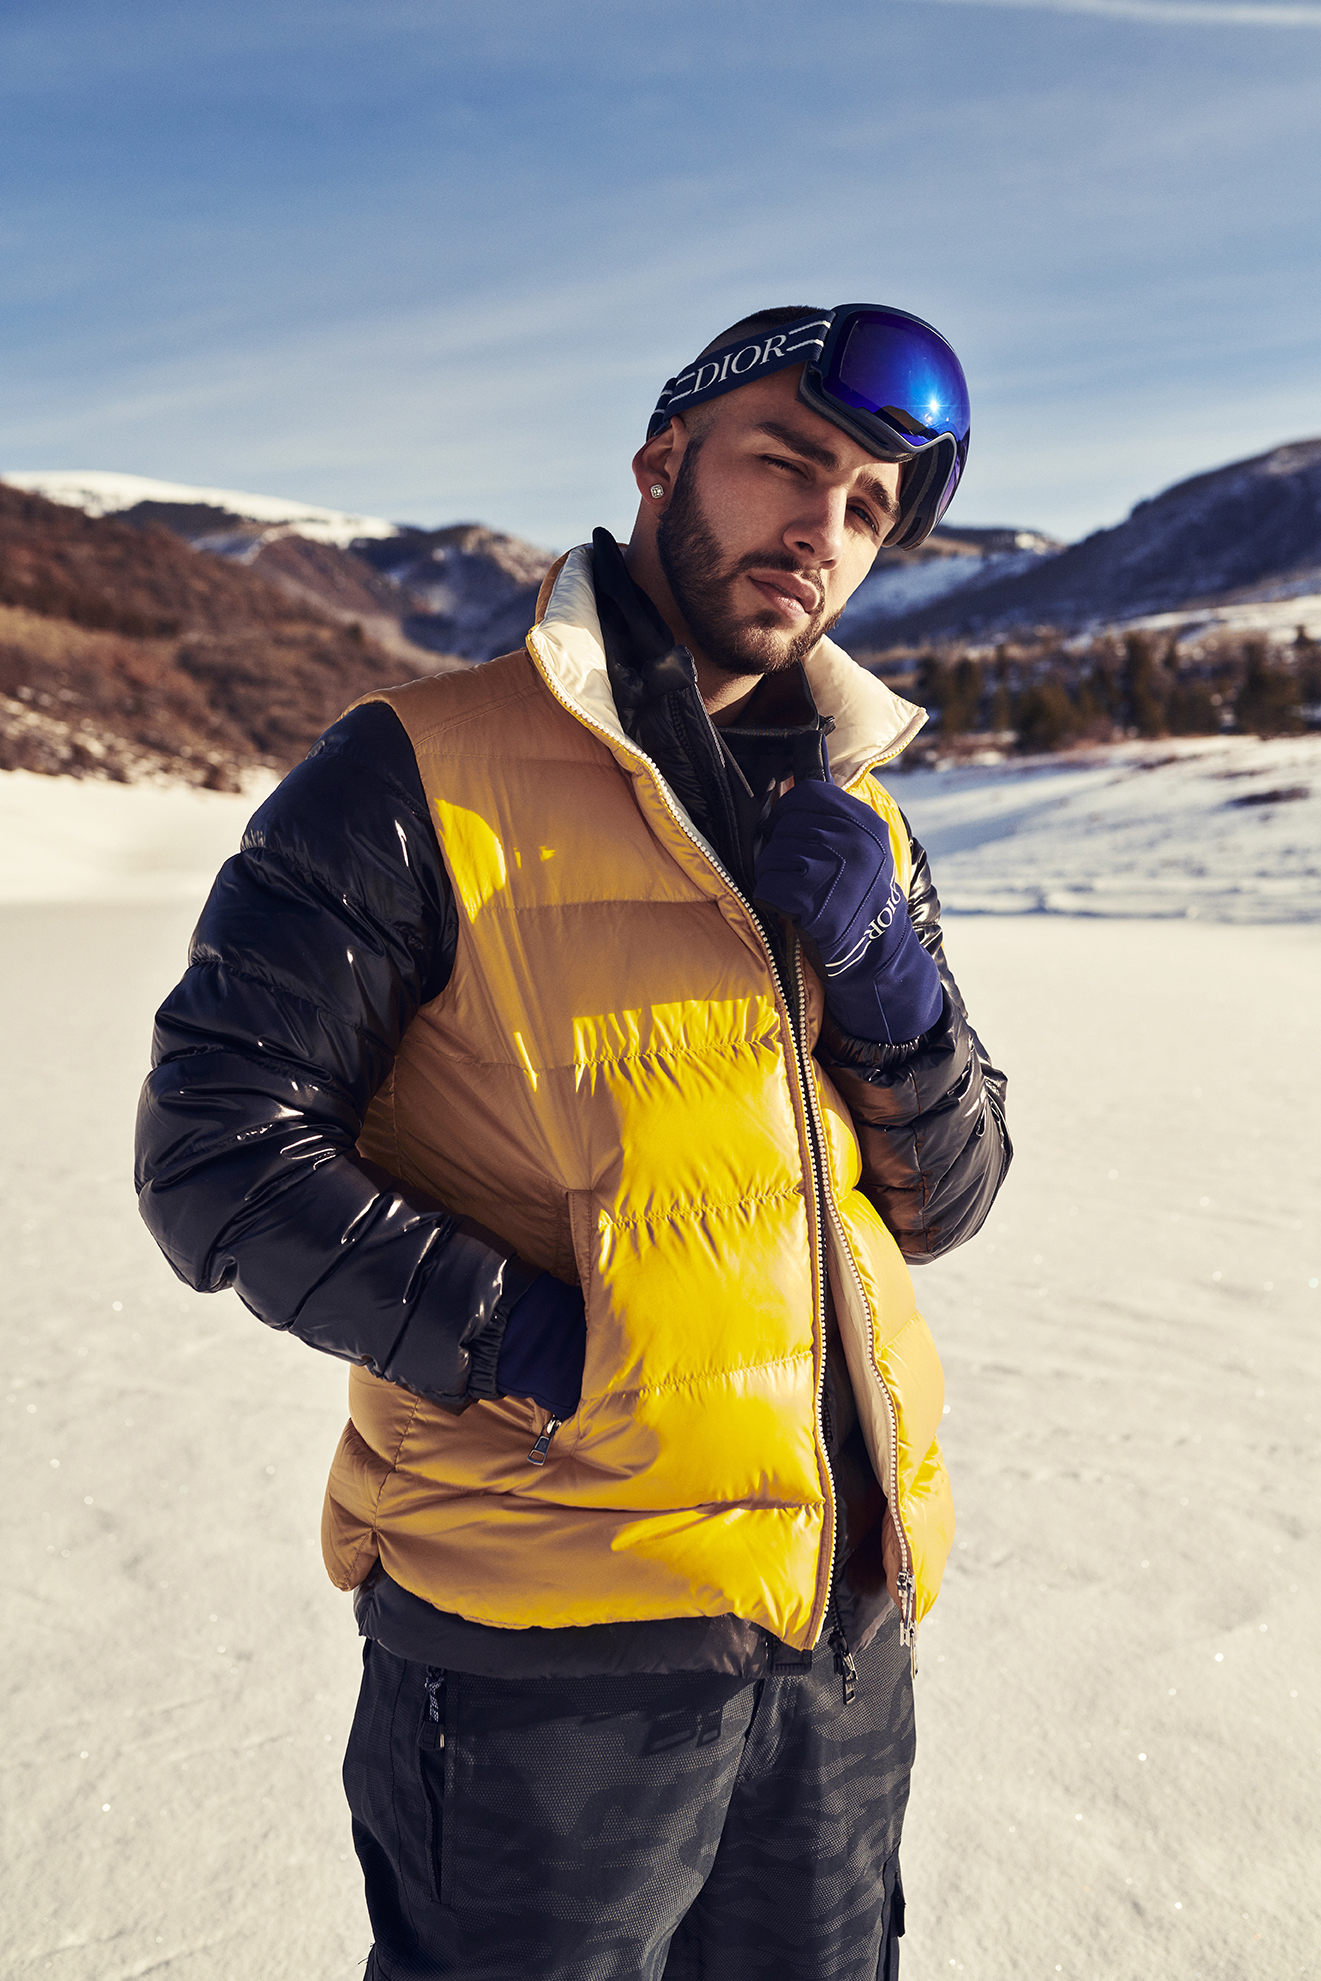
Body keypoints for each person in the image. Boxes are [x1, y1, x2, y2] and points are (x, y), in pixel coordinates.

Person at [135, 303, 1011, 1980]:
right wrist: (556, 1352)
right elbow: (216, 1150)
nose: (821, 531)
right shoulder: (412, 769)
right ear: (661, 459)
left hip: (837, 1628)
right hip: (549, 1650)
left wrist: (890, 988)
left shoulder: (862, 818)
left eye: (865, 509)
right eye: (787, 465)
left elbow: (946, 1200)